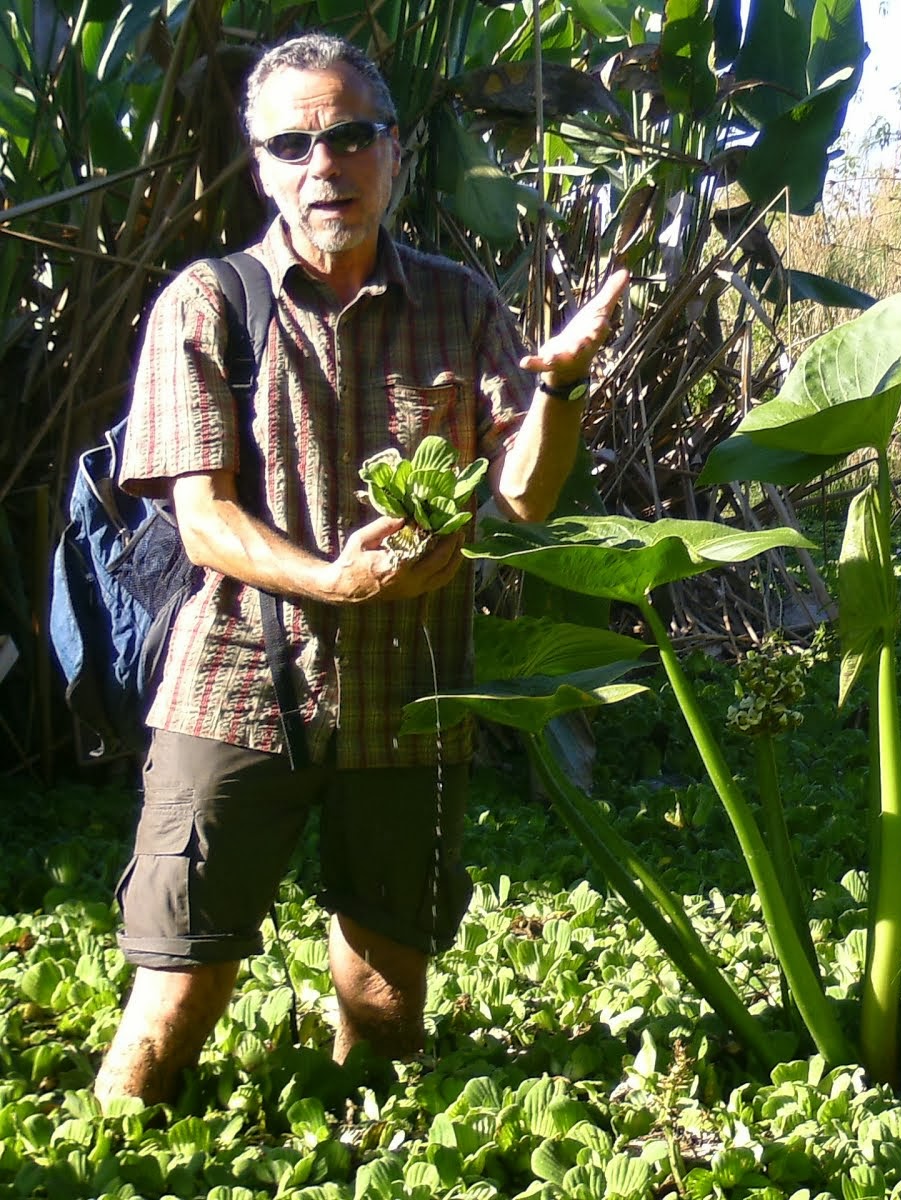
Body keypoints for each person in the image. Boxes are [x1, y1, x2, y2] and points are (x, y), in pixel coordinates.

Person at [94, 32, 629, 1103]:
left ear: (395, 150)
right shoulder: (210, 303)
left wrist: (561, 390)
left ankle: (366, 1154)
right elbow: (205, 523)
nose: (322, 164)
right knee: (178, 992)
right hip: (239, 683)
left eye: (348, 135)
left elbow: (520, 496)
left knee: (387, 1001)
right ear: (260, 165)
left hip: (414, 687)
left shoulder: (459, 301)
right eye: (291, 143)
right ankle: (119, 1149)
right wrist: (334, 580)